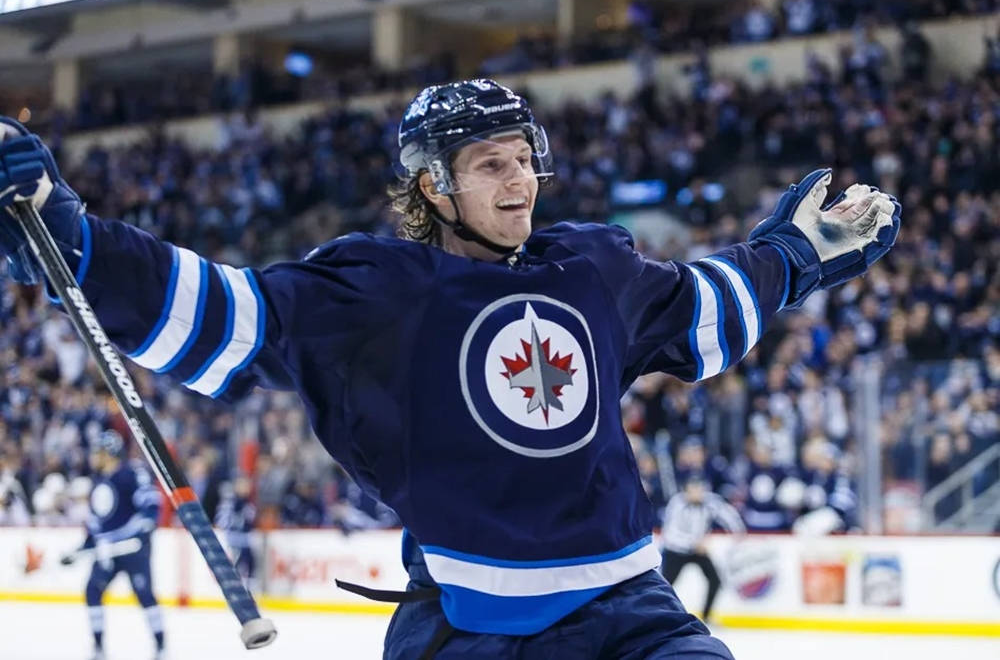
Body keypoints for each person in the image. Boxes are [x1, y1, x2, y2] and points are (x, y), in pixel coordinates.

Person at [0, 78, 899, 658]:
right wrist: (71, 240)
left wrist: (792, 255)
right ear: (434, 186)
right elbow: (222, 312)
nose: (519, 183)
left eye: (524, 160)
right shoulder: (377, 295)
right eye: (489, 165)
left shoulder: (592, 270)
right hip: (472, 631)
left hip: (633, 617)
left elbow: (708, 305)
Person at [60, 430, 163, 660]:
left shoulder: (132, 472)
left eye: (98, 451)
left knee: (144, 594)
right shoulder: (99, 482)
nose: (94, 456)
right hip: (107, 550)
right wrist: (82, 549)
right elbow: (96, 523)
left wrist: (146, 526)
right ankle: (98, 647)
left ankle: (161, 644)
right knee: (92, 591)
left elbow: (151, 503)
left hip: (133, 547)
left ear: (110, 452)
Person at [659, 474, 745, 623]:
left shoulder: (711, 501)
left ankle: (706, 616)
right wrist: (693, 543)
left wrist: (739, 534)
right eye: (693, 489)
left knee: (715, 581)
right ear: (686, 490)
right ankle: (659, 616)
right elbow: (670, 534)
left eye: (700, 489)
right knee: (664, 586)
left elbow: (729, 515)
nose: (698, 493)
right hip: (676, 551)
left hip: (699, 551)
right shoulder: (677, 504)